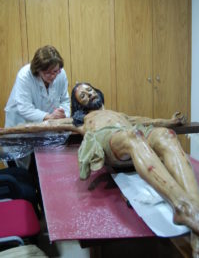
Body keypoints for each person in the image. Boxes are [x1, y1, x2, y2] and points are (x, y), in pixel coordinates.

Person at [0, 82, 199, 256]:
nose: (90, 95)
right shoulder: (80, 120)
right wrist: (5, 130)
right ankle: (181, 205)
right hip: (112, 138)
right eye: (83, 96)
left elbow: (148, 120)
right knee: (133, 137)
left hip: (134, 131)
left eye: (90, 90)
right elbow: (37, 126)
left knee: (166, 135)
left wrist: (170, 122)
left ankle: (194, 209)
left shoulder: (118, 113)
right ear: (79, 105)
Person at [4, 45, 71, 168]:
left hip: (45, 127)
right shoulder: (25, 76)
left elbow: (65, 100)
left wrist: (63, 114)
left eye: (56, 71)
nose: (53, 76)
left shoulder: (61, 74)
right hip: (20, 125)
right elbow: (24, 108)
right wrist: (48, 116)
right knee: (22, 168)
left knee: (43, 166)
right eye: (47, 73)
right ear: (38, 70)